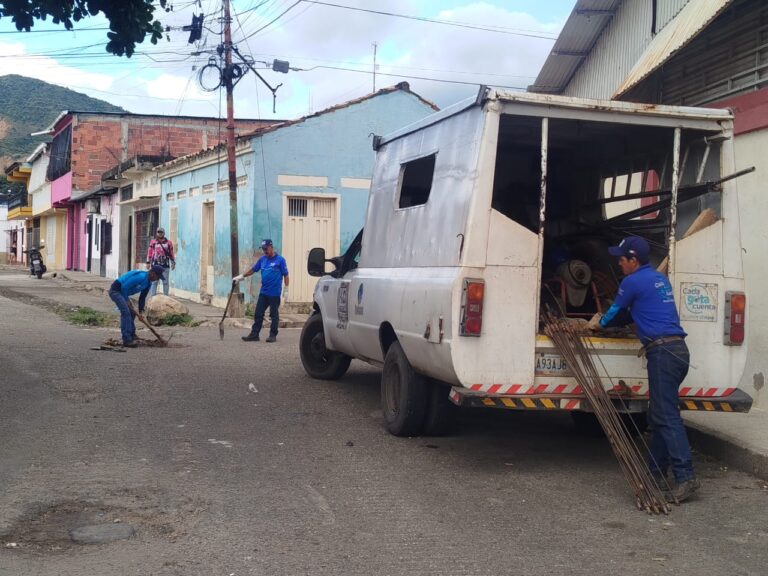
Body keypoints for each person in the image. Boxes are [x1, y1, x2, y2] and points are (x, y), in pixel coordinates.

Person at [588, 236, 698, 502]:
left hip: (662, 354)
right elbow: (635, 311)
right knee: (659, 415)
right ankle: (655, 474)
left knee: (666, 417)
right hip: (678, 352)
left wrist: (598, 323)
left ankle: (686, 476)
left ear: (633, 260)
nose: (619, 263)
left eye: (622, 259)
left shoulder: (632, 281)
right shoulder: (659, 279)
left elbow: (614, 313)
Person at [234, 239, 289, 343]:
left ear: (271, 247)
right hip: (264, 292)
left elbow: (286, 275)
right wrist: (241, 276)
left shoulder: (280, 260)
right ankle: (254, 335)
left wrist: (286, 289)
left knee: (274, 315)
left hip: (274, 293)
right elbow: (253, 269)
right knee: (258, 313)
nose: (264, 251)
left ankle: (272, 335)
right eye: (263, 249)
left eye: (266, 249)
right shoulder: (262, 259)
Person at [109, 265, 163, 347]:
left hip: (123, 293)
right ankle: (127, 340)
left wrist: (140, 312)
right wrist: (127, 300)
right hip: (116, 291)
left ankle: (132, 335)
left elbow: (142, 297)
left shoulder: (149, 283)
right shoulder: (141, 277)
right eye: (158, 277)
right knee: (126, 312)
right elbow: (124, 287)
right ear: (152, 273)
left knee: (132, 313)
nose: (157, 279)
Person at [146, 227, 175, 297]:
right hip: (155, 265)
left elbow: (171, 253)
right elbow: (149, 252)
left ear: (164, 233)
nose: (160, 233)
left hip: (165, 265)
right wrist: (148, 262)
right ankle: (152, 297)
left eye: (161, 232)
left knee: (165, 282)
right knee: (154, 282)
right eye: (158, 232)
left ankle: (166, 297)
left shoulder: (169, 243)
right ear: (157, 233)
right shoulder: (153, 242)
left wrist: (173, 262)